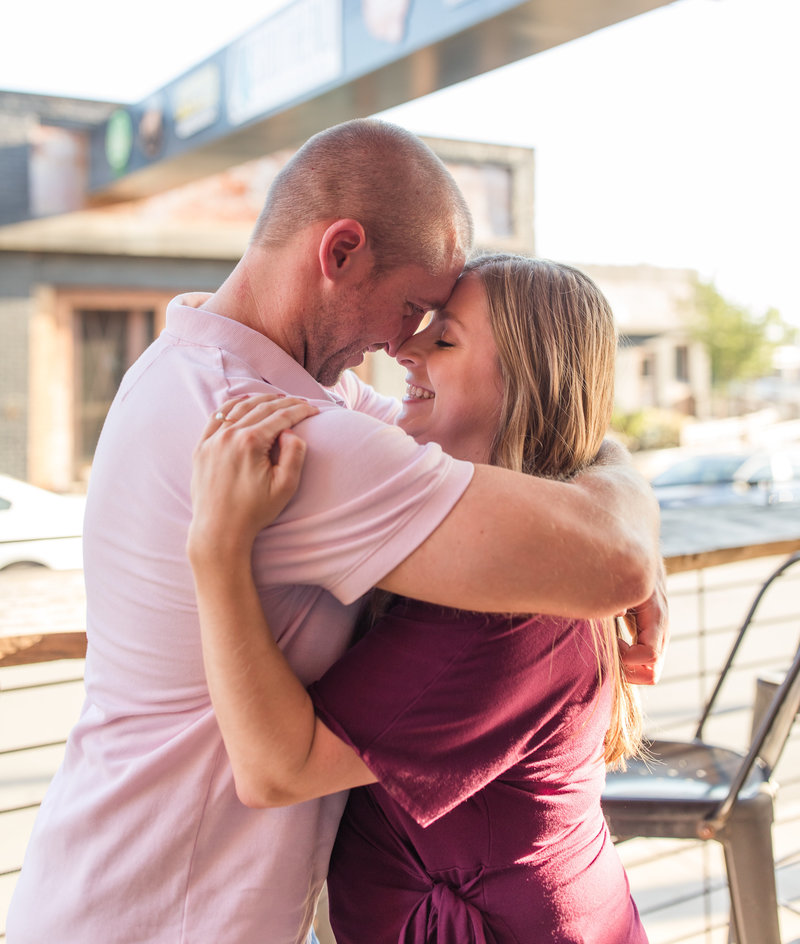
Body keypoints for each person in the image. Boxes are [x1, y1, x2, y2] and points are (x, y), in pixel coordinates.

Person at [8, 121, 663, 944]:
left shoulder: (212, 374)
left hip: (111, 881)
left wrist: (596, 457)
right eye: (413, 308)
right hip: (164, 914)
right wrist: (623, 515)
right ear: (340, 251)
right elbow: (614, 558)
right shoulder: (281, 434)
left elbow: (525, 448)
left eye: (435, 327)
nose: (401, 347)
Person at [188, 254, 650, 943]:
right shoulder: (514, 556)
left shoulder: (510, 610)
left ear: (524, 381)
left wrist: (218, 551)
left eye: (444, 339)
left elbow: (276, 771)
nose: (403, 350)